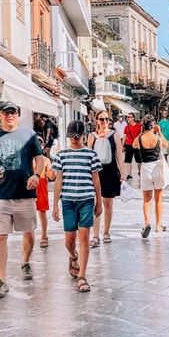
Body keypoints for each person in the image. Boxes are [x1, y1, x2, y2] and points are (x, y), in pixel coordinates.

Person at [0, 100, 45, 298]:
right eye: (6, 113)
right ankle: (2, 280)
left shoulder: (29, 135)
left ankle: (25, 261)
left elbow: (39, 158)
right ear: (0, 115)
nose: (9, 116)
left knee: (29, 232)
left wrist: (37, 175)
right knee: (0, 236)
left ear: (18, 115)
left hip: (25, 192)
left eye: (13, 112)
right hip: (1, 195)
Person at [52, 120, 102, 292]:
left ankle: (82, 275)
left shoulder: (91, 155)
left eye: (77, 136)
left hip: (86, 199)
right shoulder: (61, 155)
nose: (74, 139)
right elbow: (58, 179)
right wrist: (55, 205)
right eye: (71, 136)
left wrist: (99, 201)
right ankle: (73, 256)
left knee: (84, 237)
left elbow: (96, 179)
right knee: (69, 240)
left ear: (83, 136)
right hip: (67, 201)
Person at [87, 109, 124, 246]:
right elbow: (88, 155)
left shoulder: (115, 134)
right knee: (96, 203)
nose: (104, 122)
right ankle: (95, 235)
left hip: (111, 172)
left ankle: (106, 232)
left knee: (108, 203)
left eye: (107, 119)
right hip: (96, 173)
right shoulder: (91, 136)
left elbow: (119, 155)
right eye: (101, 119)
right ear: (97, 121)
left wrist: (123, 173)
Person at [133, 115, 169, 238]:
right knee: (158, 198)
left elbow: (133, 145)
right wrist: (159, 132)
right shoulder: (157, 137)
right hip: (157, 167)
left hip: (145, 168)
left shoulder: (140, 138)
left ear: (143, 125)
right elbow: (166, 145)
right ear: (153, 125)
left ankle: (147, 222)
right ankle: (158, 225)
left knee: (147, 199)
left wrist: (141, 133)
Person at [35, 135, 56, 249]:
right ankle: (30, 236)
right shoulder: (27, 159)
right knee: (29, 214)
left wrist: (54, 168)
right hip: (30, 189)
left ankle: (44, 235)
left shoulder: (46, 160)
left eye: (40, 143)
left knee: (42, 213)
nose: (38, 145)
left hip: (41, 188)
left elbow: (52, 176)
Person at [123, 112, 142, 180]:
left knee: (139, 160)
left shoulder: (139, 126)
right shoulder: (126, 127)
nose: (128, 118)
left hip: (136, 145)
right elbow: (125, 137)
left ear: (133, 118)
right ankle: (129, 174)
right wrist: (123, 145)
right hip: (128, 145)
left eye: (129, 117)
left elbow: (141, 135)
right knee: (128, 160)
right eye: (127, 117)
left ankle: (140, 172)